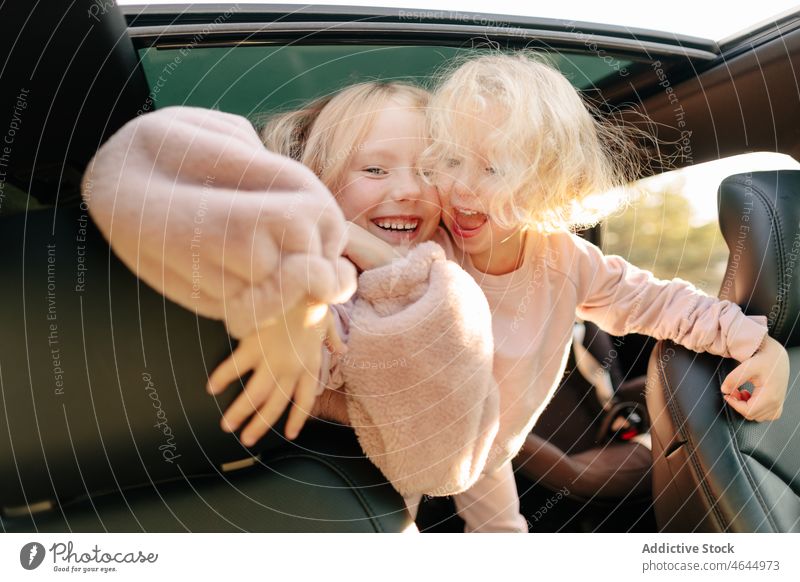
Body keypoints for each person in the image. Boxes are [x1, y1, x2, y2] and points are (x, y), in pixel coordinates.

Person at [417, 52, 790, 532]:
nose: (461, 187)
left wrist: (758, 346)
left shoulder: (565, 260)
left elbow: (660, 303)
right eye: (449, 159)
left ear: (548, 181)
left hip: (485, 448)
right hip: (406, 429)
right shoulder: (425, 249)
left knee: (505, 536)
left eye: (494, 169)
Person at [81, 85, 501, 503]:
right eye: (374, 170)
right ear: (314, 175)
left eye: (428, 172)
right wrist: (299, 289)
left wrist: (386, 264)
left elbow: (445, 460)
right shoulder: (277, 238)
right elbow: (140, 154)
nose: (411, 190)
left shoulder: (449, 276)